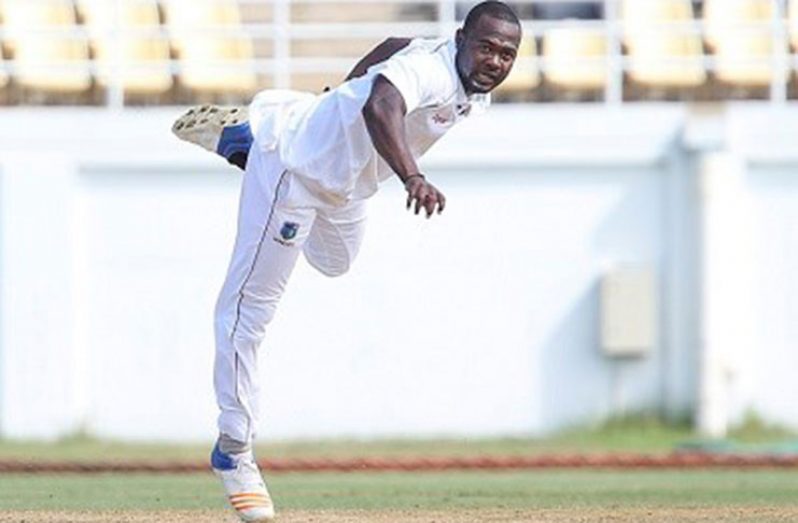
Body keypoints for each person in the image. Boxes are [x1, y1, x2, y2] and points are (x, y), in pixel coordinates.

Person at [172, 2, 520, 521]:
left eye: (506, 53)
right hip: (298, 174)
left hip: (347, 189)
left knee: (336, 263)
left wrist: (337, 97)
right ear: (460, 38)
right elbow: (381, 104)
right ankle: (235, 449)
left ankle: (269, 128)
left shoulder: (468, 87)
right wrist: (412, 177)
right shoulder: (431, 69)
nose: (494, 60)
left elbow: (391, 47)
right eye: (486, 46)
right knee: (247, 313)